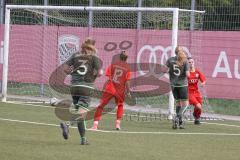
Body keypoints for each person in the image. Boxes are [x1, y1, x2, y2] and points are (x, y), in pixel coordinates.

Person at [60, 37, 102, 145]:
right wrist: (96, 74)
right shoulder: (94, 58)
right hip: (86, 88)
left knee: (80, 113)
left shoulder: (75, 55)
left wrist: (69, 71)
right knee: (81, 113)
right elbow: (99, 73)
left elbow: (65, 68)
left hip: (74, 87)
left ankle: (83, 139)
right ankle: (68, 124)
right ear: (93, 47)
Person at [91, 50, 131, 130]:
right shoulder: (128, 68)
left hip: (110, 89)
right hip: (120, 91)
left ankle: (95, 125)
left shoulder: (112, 65)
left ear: (119, 57)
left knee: (101, 106)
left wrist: (103, 89)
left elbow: (108, 78)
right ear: (127, 59)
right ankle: (117, 125)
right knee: (120, 105)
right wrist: (128, 91)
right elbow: (127, 81)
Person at [166, 46, 190, 129]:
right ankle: (176, 118)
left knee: (178, 103)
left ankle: (180, 123)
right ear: (182, 52)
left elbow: (165, 70)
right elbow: (187, 75)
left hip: (173, 85)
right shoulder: (185, 61)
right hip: (182, 85)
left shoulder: (170, 60)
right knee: (186, 105)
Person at [187, 57, 206, 125]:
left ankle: (196, 119)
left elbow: (203, 80)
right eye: (189, 62)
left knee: (199, 107)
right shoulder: (187, 73)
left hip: (196, 92)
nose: (191, 63)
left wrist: (203, 83)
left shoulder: (197, 72)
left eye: (192, 62)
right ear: (187, 64)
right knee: (198, 106)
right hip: (189, 93)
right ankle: (195, 116)